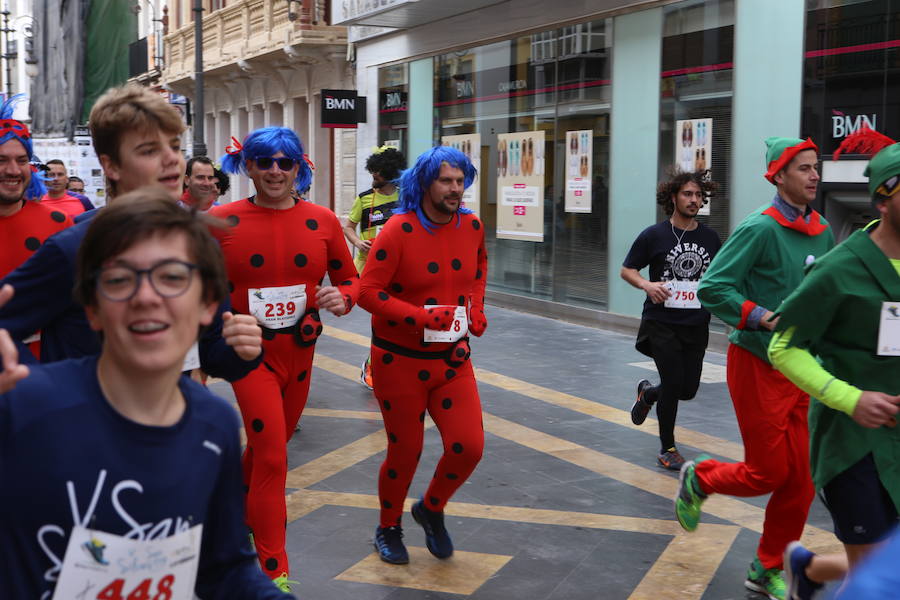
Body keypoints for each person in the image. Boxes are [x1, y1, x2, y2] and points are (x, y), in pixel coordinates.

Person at [0, 191, 293, 599]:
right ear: (92, 309)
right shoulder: (25, 406)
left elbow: (221, 567)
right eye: (120, 280)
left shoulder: (214, 424)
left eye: (172, 277)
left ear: (209, 305)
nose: (147, 297)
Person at [0, 83, 263, 379]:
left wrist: (241, 349)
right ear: (110, 166)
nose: (171, 159)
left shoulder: (199, 245)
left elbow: (212, 353)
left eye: (174, 146)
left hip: (169, 419)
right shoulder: (74, 249)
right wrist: (46, 393)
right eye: (150, 149)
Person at [676, 137, 835, 600]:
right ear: (779, 176)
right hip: (757, 363)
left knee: (802, 480)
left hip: (802, 367)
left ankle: (767, 568)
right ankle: (700, 477)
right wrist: (761, 316)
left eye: (816, 167)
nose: (813, 176)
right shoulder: (758, 229)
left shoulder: (823, 230)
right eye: (803, 168)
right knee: (767, 473)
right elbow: (713, 287)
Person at [213, 126, 359, 587]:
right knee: (274, 456)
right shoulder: (220, 220)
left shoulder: (324, 220)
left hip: (301, 354)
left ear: (299, 167)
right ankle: (273, 569)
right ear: (248, 166)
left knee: (263, 451)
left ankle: (230, 512)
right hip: (248, 358)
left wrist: (343, 298)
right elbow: (197, 288)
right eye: (264, 161)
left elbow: (352, 280)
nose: (275, 171)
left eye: (285, 162)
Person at [767, 128, 900, 600]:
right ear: (883, 201)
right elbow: (782, 347)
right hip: (853, 444)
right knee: (876, 585)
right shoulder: (839, 270)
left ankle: (811, 568)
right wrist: (851, 398)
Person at [358, 145, 488, 565]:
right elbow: (366, 292)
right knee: (405, 449)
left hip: (452, 360)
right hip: (399, 362)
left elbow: (478, 271)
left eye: (460, 180)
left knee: (468, 446)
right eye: (446, 181)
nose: (455, 188)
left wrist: (477, 309)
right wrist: (417, 317)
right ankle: (388, 526)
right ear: (425, 183)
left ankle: (431, 508)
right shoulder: (398, 229)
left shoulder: (472, 226)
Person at [620, 169, 721, 470]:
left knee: (687, 388)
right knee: (675, 382)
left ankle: (649, 392)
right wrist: (647, 286)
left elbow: (722, 274)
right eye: (687, 194)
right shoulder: (654, 235)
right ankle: (668, 447)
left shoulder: (710, 237)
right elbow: (628, 269)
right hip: (661, 322)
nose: (694, 200)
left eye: (698, 195)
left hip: (696, 323)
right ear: (673, 197)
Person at [343, 146, 405, 389]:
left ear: (389, 173)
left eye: (377, 174)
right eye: (372, 173)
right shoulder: (364, 198)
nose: (373, 178)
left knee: (392, 320)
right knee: (381, 318)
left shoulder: (405, 197)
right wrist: (358, 242)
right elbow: (348, 226)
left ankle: (387, 365)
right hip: (370, 270)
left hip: (399, 270)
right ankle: (372, 368)